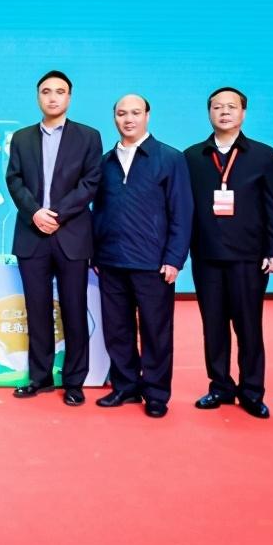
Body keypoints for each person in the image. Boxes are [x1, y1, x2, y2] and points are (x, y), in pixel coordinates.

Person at [183, 87, 273, 419]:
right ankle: (220, 386)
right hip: (206, 256)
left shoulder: (263, 156)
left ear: (243, 113)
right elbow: (183, 209)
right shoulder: (192, 157)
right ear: (209, 113)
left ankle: (252, 391)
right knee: (213, 326)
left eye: (231, 106)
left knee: (249, 327)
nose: (224, 112)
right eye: (217, 107)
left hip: (249, 258)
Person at [5, 70, 103, 405]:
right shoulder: (22, 138)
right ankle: (40, 377)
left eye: (60, 91)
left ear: (69, 97)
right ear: (38, 97)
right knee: (37, 310)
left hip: (71, 235)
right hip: (32, 235)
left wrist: (56, 214)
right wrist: (35, 213)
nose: (52, 97)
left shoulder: (88, 137)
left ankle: (74, 381)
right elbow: (14, 180)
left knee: (74, 310)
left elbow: (90, 183)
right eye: (46, 91)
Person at [92, 94, 192, 418]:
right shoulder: (105, 162)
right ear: (114, 118)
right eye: (122, 113)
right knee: (117, 330)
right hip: (111, 261)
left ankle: (157, 394)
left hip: (153, 263)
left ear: (148, 116)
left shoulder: (170, 158)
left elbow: (182, 212)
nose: (128, 119)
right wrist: (96, 254)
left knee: (155, 331)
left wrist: (174, 258)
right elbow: (97, 211)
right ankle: (125, 386)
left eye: (135, 113)